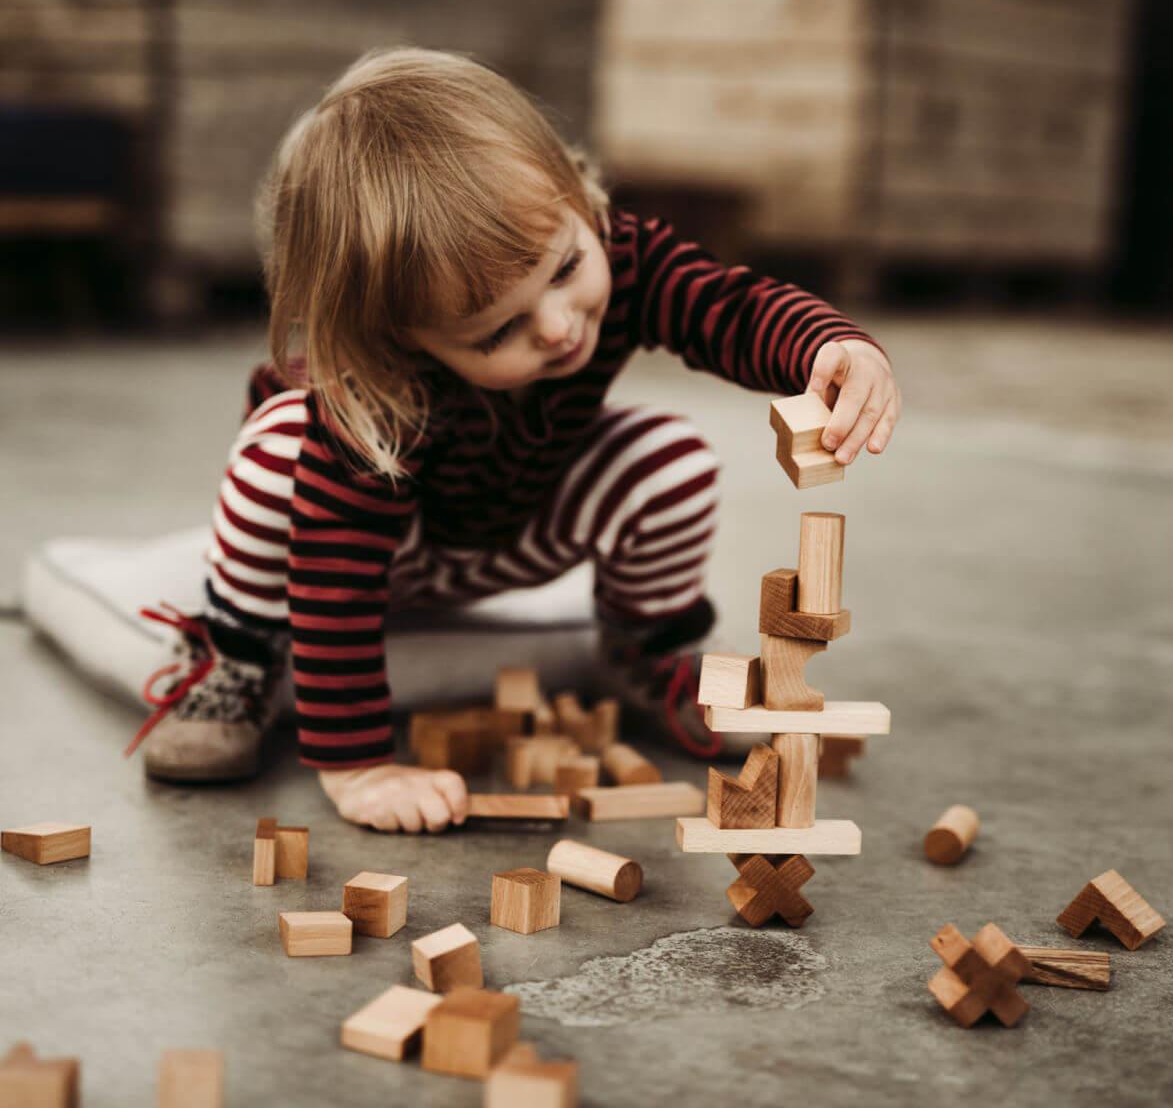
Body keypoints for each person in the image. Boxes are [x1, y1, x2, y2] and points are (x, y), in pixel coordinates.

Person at [127, 46, 901, 833]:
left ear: (572, 194)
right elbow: (333, 570)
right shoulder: (377, 393)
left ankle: (648, 654)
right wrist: (359, 766)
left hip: (512, 533)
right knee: (277, 451)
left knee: (670, 456)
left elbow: (725, 309)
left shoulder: (616, 247)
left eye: (565, 268)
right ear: (404, 336)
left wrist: (825, 349)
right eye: (498, 331)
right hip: (379, 557)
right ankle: (237, 659)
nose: (560, 327)